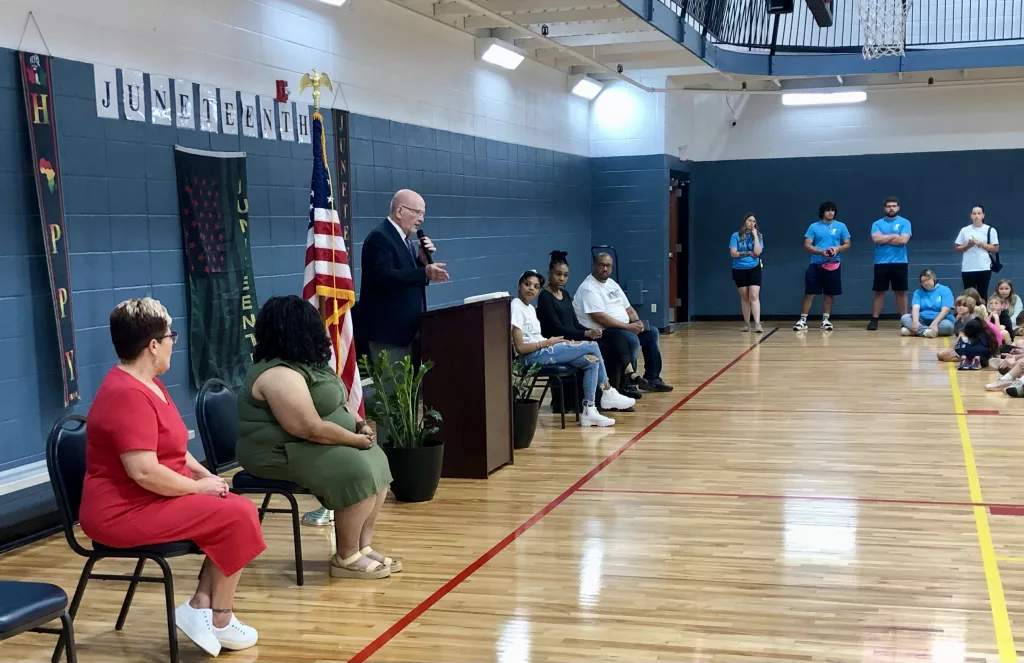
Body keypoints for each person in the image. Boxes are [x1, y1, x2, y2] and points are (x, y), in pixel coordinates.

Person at [79, 298, 264, 658]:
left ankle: (201, 606)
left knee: (236, 508)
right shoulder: (125, 393)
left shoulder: (151, 383)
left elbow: (176, 450)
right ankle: (219, 617)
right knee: (237, 516)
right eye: (170, 337)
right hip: (121, 511)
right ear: (152, 345)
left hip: (147, 498)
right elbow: (144, 471)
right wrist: (198, 488)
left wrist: (206, 476)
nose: (172, 344)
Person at [236, 296, 397, 580]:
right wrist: (352, 439)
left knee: (377, 462)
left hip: (306, 444)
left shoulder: (309, 364)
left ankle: (362, 546)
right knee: (355, 470)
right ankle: (345, 557)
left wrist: (360, 424)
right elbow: (308, 427)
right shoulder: (277, 373)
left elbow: (340, 403)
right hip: (277, 450)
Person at [512, 271, 634, 426]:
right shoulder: (516, 306)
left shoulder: (529, 308)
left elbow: (537, 337)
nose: (531, 289)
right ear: (519, 285)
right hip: (533, 356)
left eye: (536, 286)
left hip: (545, 348)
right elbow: (520, 348)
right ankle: (607, 390)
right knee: (593, 345)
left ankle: (589, 410)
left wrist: (553, 343)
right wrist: (547, 343)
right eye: (527, 284)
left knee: (592, 360)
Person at [358, 189, 450, 367]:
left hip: (410, 333)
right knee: (394, 393)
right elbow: (384, 277)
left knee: (411, 393)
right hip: (390, 336)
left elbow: (404, 276)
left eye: (423, 214)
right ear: (400, 211)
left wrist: (421, 262)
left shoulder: (405, 240)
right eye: (417, 212)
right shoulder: (380, 238)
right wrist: (424, 272)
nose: (421, 219)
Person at [537, 251, 637, 409]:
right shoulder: (545, 297)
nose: (562, 278)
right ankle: (605, 395)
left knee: (614, 335)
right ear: (549, 274)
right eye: (558, 274)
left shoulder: (565, 293)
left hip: (576, 337)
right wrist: (586, 334)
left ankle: (618, 387)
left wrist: (591, 331)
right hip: (560, 343)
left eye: (565, 275)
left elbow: (574, 323)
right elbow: (556, 328)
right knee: (603, 348)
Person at [573, 253, 674, 393]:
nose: (604, 269)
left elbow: (628, 308)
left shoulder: (612, 284)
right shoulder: (589, 288)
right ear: (594, 266)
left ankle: (652, 378)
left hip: (623, 327)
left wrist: (637, 322)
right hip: (604, 332)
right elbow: (600, 318)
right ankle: (627, 383)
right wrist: (628, 327)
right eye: (601, 265)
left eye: (608, 266)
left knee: (652, 333)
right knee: (632, 340)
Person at [793, 201, 851, 332]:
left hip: (833, 264)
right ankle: (803, 320)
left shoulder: (841, 226)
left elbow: (847, 244)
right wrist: (821, 252)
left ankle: (825, 320)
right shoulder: (814, 227)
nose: (830, 212)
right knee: (809, 293)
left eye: (832, 210)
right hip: (816, 264)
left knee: (829, 294)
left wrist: (837, 249)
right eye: (827, 210)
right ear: (822, 212)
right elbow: (807, 245)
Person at [867, 197, 912, 330]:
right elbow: (876, 239)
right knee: (879, 292)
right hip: (881, 262)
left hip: (900, 262)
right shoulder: (877, 223)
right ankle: (874, 319)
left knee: (900, 292)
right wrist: (894, 236)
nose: (891, 208)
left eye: (894, 206)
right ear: (884, 208)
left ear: (898, 208)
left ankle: (905, 320)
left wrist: (884, 238)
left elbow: (903, 240)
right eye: (888, 206)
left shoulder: (905, 222)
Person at [729, 213, 764, 333]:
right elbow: (733, 253)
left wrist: (755, 236)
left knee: (754, 295)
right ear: (744, 222)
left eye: (754, 221)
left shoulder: (758, 236)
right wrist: (748, 253)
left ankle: (758, 323)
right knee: (744, 296)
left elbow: (757, 252)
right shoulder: (736, 236)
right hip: (739, 268)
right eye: (749, 221)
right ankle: (747, 323)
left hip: (754, 268)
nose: (752, 223)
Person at [955, 205, 999, 298]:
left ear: (983, 215)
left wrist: (981, 244)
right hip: (968, 268)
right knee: (968, 296)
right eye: (974, 213)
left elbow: (995, 248)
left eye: (979, 213)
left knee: (982, 295)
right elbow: (957, 248)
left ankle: (982, 312)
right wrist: (968, 245)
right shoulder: (965, 230)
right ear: (971, 216)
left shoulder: (990, 230)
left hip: (984, 267)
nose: (976, 216)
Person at [900, 269, 954, 337]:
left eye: (927, 279)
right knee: (905, 318)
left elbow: (945, 310)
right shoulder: (918, 292)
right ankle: (927, 332)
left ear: (934, 278)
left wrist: (935, 323)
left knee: (948, 326)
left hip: (940, 321)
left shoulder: (945, 290)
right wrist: (915, 322)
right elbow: (915, 308)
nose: (925, 283)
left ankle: (914, 332)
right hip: (922, 320)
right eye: (923, 281)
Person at [936, 295, 978, 362]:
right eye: (959, 305)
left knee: (944, 356)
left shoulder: (972, 321)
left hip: (972, 346)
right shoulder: (958, 321)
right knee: (939, 355)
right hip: (962, 345)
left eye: (964, 306)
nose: (961, 307)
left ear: (970, 308)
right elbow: (957, 337)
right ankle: (964, 356)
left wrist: (951, 349)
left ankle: (968, 357)